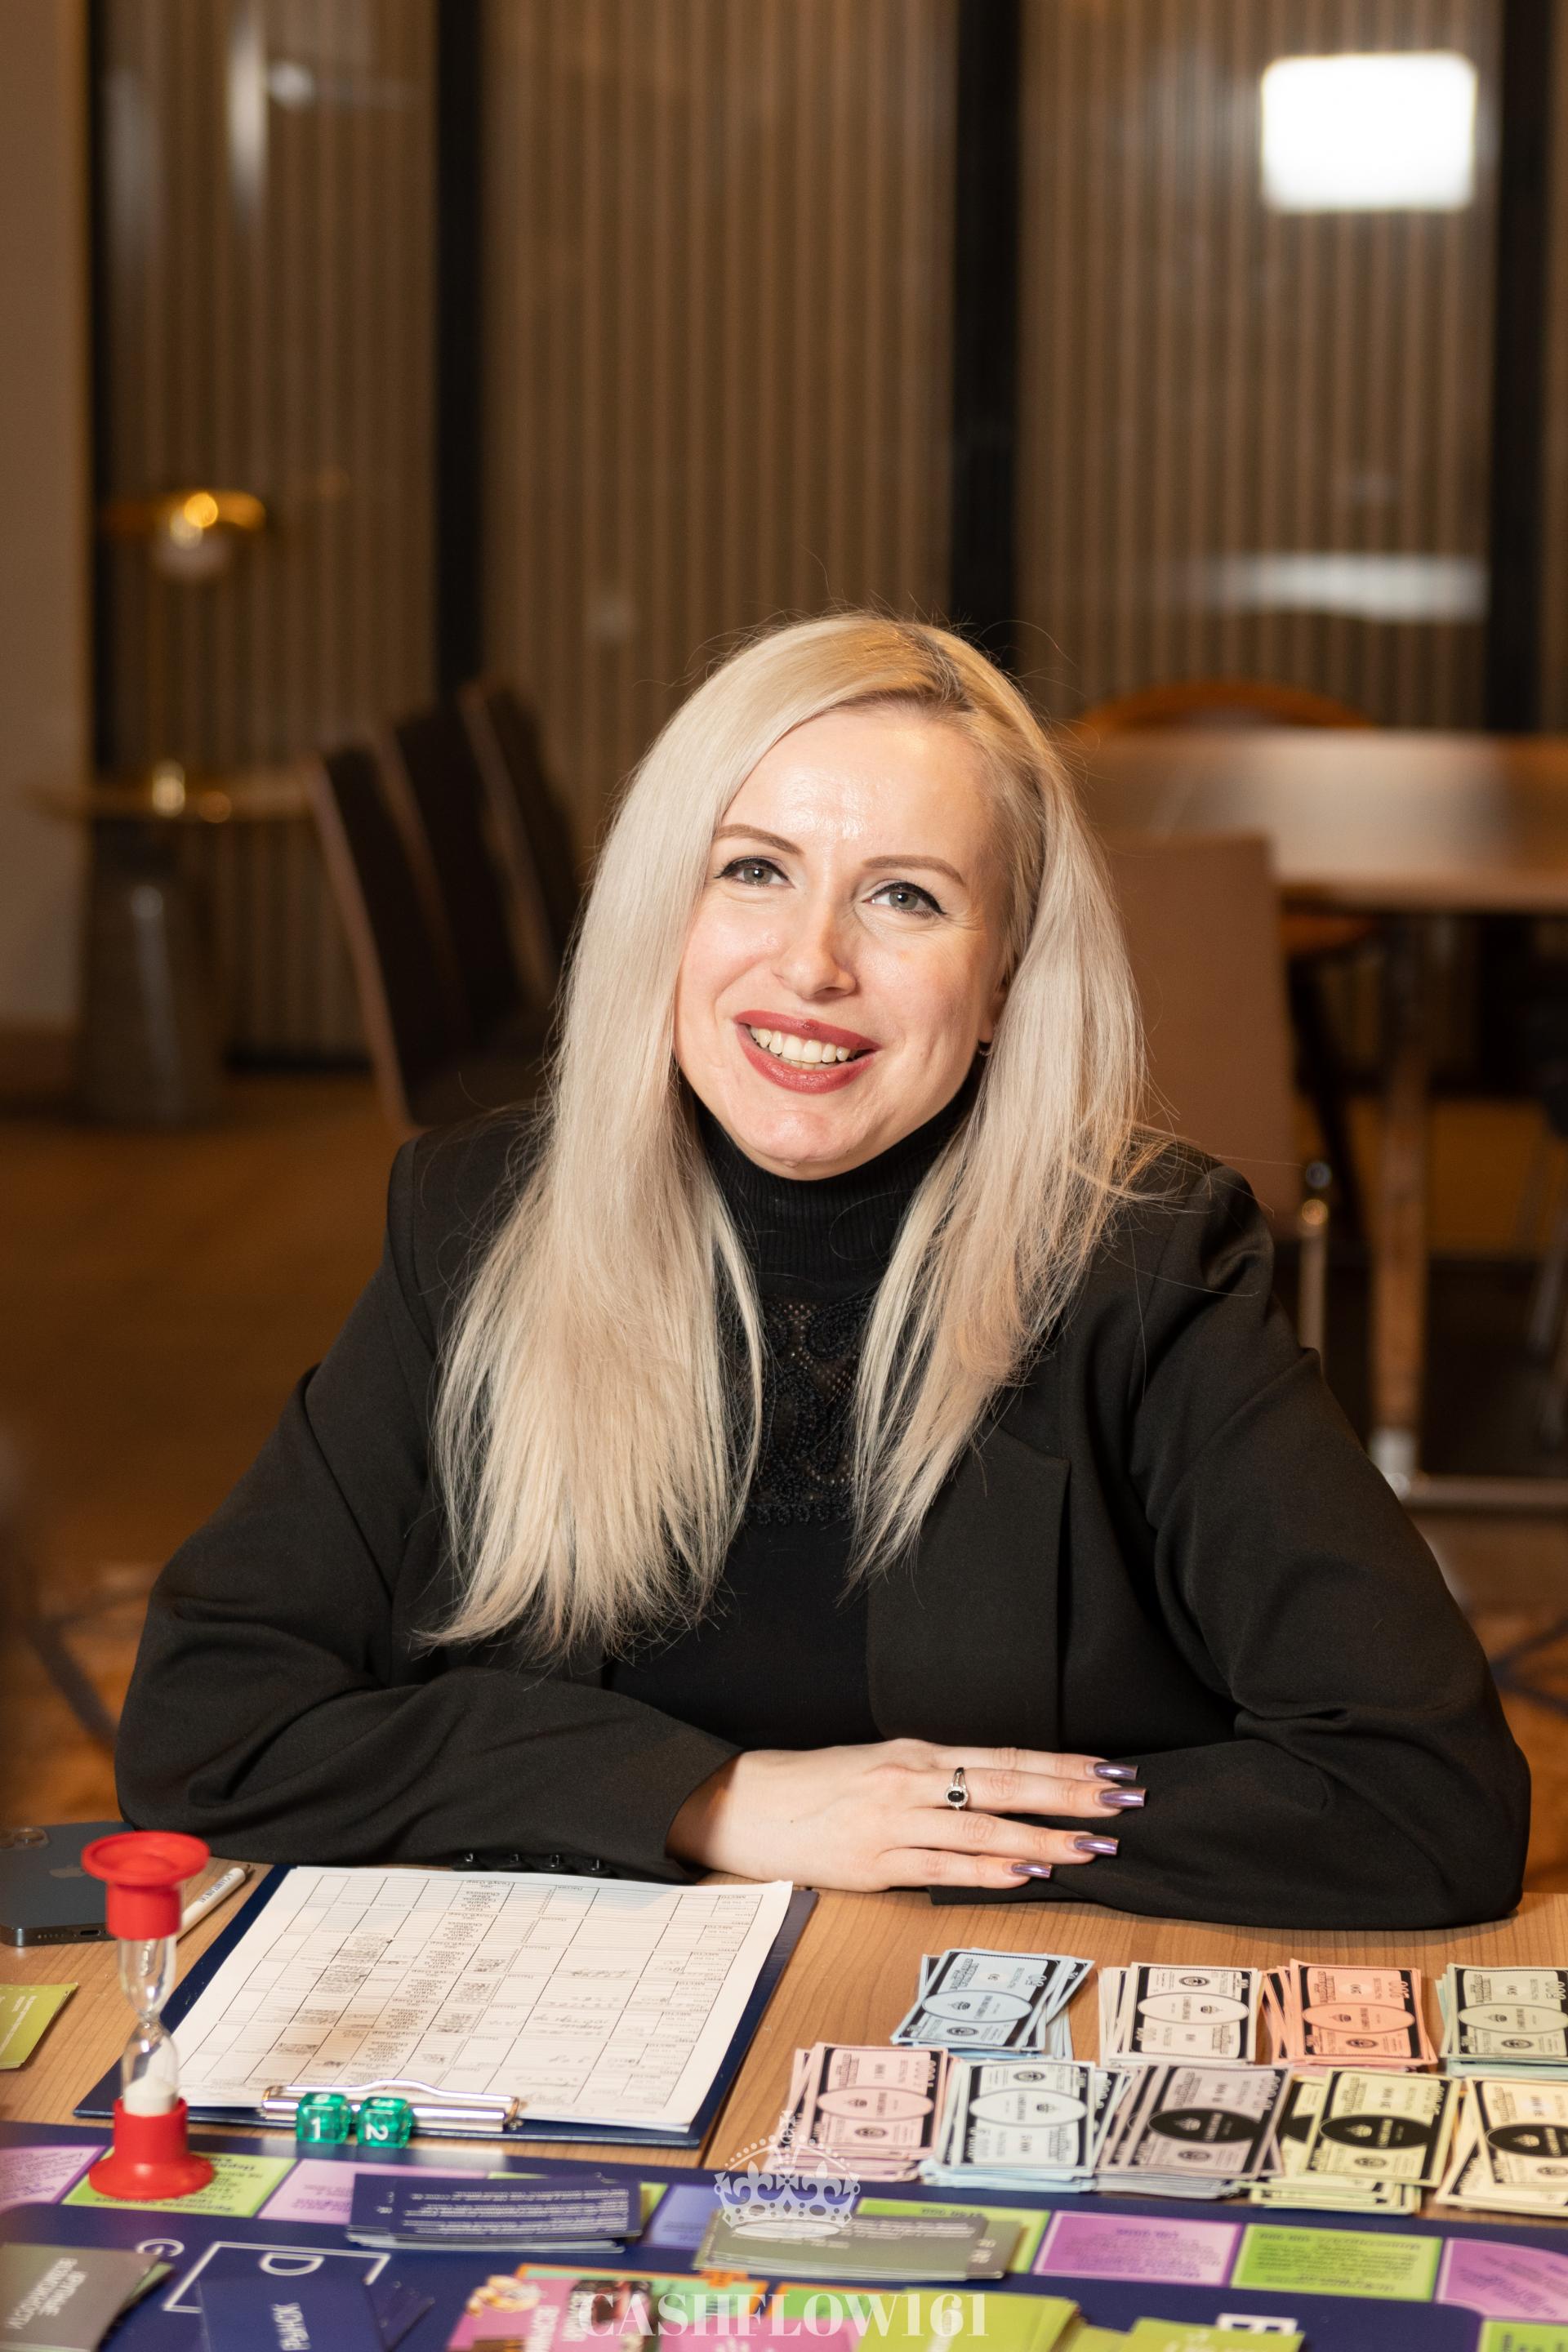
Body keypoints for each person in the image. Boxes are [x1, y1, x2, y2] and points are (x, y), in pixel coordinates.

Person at [117, 614, 1529, 1927]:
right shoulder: (477, 1221)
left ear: (1006, 978)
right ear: (663, 911)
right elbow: (209, 1729)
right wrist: (716, 1801)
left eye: (906, 897)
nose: (812, 964)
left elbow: (1426, 1802)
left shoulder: (1144, 1266)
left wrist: (929, 1828)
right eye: (754, 870)